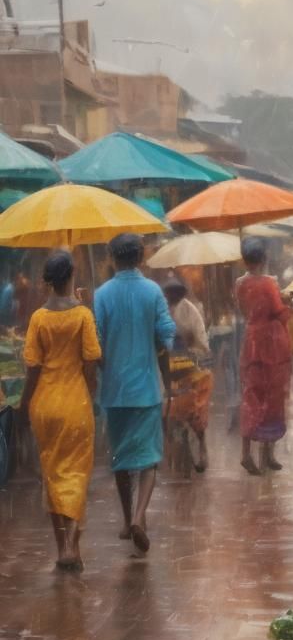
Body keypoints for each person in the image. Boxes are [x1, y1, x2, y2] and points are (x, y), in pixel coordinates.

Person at [93, 233, 176, 555]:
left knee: (120, 460)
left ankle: (128, 521)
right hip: (146, 389)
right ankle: (141, 515)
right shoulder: (152, 291)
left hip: (115, 392)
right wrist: (153, 351)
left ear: (112, 258)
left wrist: (107, 368)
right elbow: (167, 333)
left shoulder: (102, 294)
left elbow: (95, 342)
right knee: (149, 461)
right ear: (141, 257)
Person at [21, 252, 101, 570]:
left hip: (45, 404)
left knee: (52, 474)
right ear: (71, 276)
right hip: (75, 403)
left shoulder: (39, 318)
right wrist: (91, 388)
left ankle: (62, 548)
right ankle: (72, 545)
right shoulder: (82, 315)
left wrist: (24, 404)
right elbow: (92, 359)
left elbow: (32, 366)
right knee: (77, 474)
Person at [237, 237, 293, 475]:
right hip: (271, 344)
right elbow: (278, 312)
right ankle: (267, 454)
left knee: (251, 396)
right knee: (272, 396)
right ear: (263, 259)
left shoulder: (240, 283)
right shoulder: (270, 283)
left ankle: (247, 453)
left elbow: (243, 310)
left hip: (250, 343)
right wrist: (291, 305)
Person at [163, 279, 213, 473]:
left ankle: (201, 447)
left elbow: (201, 340)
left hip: (191, 366)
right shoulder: (163, 310)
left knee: (195, 411)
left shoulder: (190, 311)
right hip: (170, 366)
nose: (170, 301)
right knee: (171, 411)